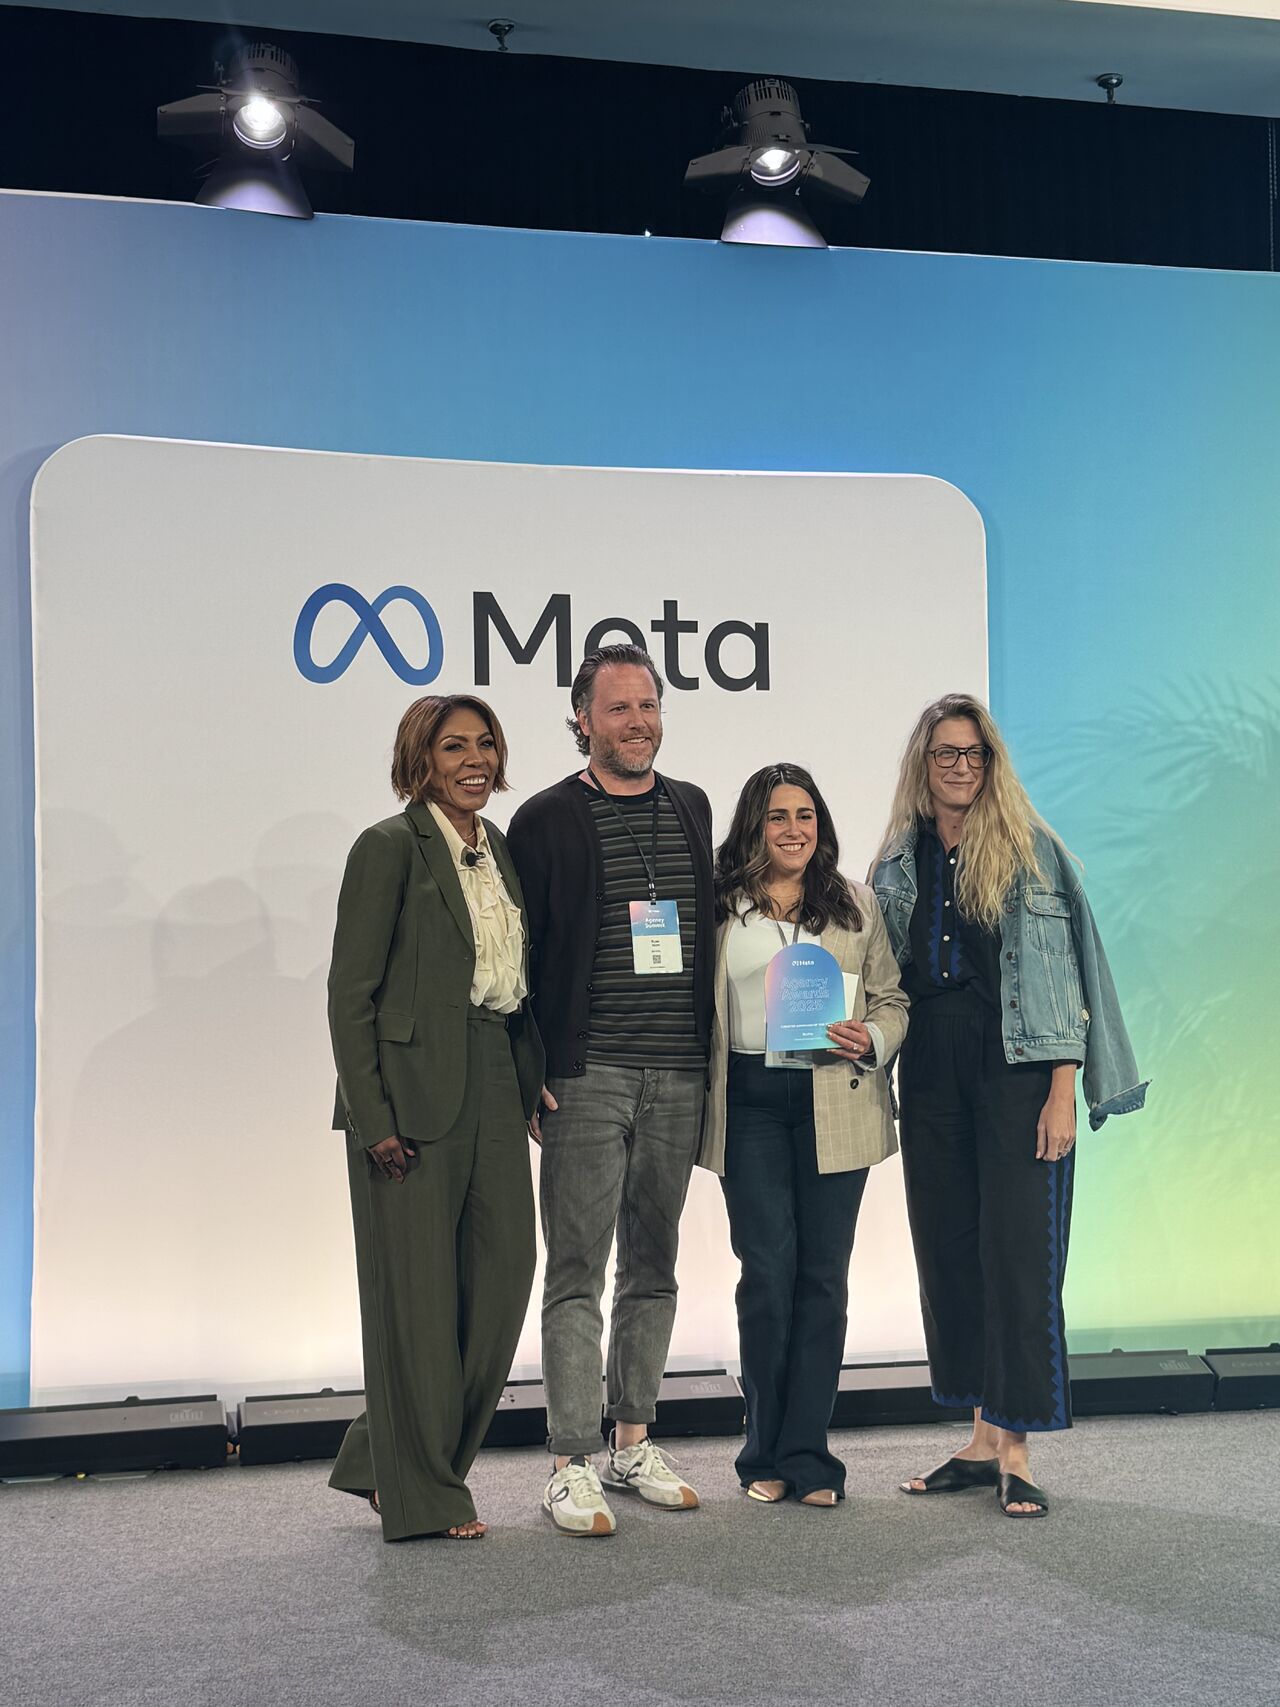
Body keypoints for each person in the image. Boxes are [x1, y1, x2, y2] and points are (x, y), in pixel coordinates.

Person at [870, 693, 1148, 1518]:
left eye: (974, 754)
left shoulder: (1030, 850)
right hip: (930, 1065)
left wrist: (1063, 1090)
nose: (961, 767)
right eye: (946, 754)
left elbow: (1062, 979)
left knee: (1020, 1257)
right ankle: (981, 1436)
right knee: (950, 1251)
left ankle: (1017, 1448)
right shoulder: (899, 858)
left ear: (992, 763)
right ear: (923, 766)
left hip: (1018, 1067)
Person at [326, 693, 544, 1542]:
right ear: (421, 758)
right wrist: (372, 1114)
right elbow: (352, 997)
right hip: (409, 1096)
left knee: (502, 1281)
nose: (475, 759)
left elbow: (514, 977)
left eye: (486, 743)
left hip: (491, 1071)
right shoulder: (387, 847)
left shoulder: (501, 851)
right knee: (416, 1301)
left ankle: (379, 1454)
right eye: (455, 746)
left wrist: (531, 1083)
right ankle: (425, 1492)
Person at [507, 643, 713, 1536]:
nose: (638, 722)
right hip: (585, 1077)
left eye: (649, 706)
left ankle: (632, 1441)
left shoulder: (694, 806)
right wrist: (530, 1075)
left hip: (681, 1072)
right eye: (618, 708)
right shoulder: (547, 818)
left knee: (655, 1266)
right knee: (577, 1271)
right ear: (582, 719)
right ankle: (568, 1461)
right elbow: (516, 962)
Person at [699, 764, 909, 1507]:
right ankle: (762, 1451)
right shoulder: (718, 905)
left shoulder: (855, 903)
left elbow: (892, 999)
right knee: (767, 1275)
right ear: (753, 825)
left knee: (823, 1281)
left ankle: (810, 1454)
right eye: (778, 816)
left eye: (806, 815)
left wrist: (871, 1037)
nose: (794, 829)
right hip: (750, 1100)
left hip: (835, 1095)